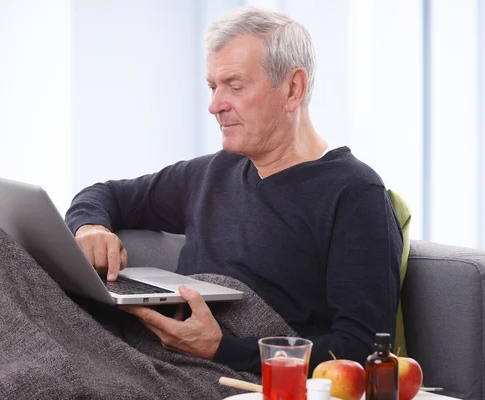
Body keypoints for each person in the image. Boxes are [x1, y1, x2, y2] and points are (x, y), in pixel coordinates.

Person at [65, 5, 402, 375]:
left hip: (227, 376)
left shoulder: (354, 193)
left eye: (235, 86)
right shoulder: (212, 172)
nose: (214, 106)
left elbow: (362, 348)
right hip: (149, 354)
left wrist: (222, 349)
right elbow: (103, 194)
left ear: (293, 88)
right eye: (213, 86)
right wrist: (90, 227)